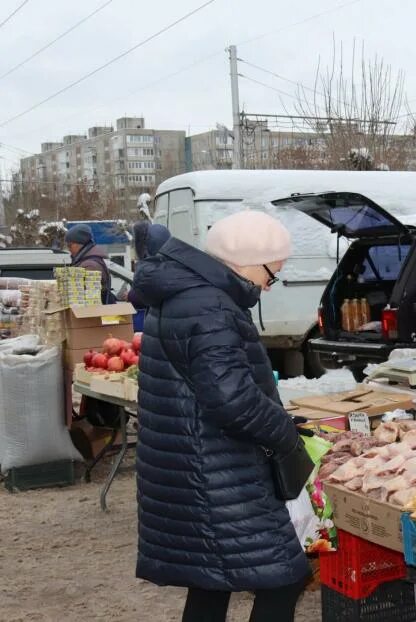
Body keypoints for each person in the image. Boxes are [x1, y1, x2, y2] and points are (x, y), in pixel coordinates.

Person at [133, 210, 308, 622]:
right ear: (246, 261)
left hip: (194, 461)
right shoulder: (208, 305)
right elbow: (232, 399)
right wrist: (283, 434)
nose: (269, 285)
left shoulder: (187, 292)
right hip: (215, 470)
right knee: (284, 575)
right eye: (272, 274)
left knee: (212, 579)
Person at [65, 224, 114, 303]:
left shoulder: (90, 265)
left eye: (69, 245)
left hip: (93, 313)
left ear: (79, 244)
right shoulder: (85, 261)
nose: (68, 249)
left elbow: (80, 296)